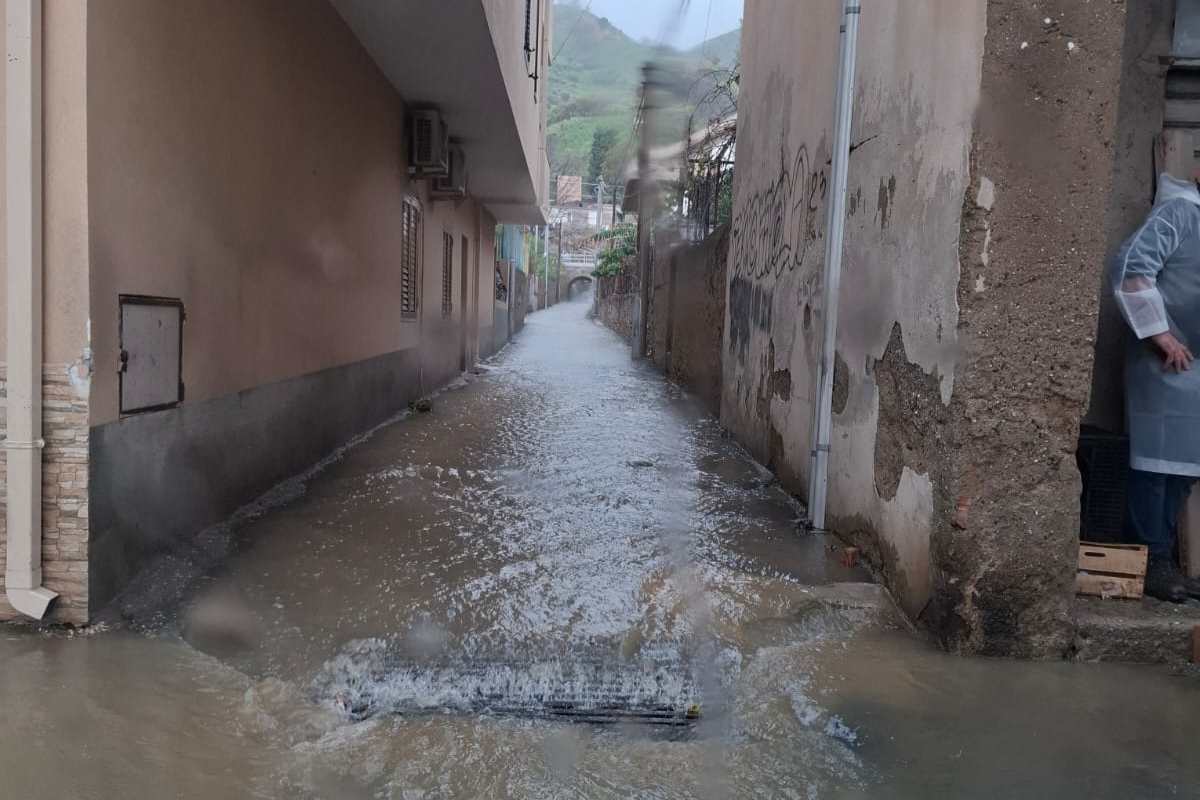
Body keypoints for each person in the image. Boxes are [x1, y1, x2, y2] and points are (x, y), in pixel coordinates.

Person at [1112, 172, 1200, 602]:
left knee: (1184, 471)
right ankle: (1150, 559)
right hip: (1165, 360)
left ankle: (1165, 559)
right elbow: (1132, 267)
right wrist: (1159, 333)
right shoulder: (1179, 213)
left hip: (1196, 366)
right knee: (1155, 467)